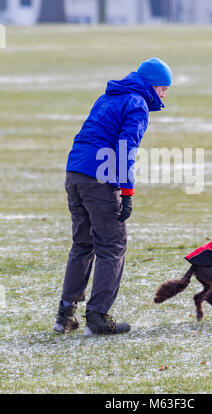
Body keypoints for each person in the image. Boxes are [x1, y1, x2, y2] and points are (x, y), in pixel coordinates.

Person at [53, 57, 172, 336]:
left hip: (75, 173)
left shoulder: (108, 96)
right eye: (163, 88)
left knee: (83, 244)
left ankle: (65, 315)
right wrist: (127, 191)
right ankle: (98, 317)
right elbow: (125, 147)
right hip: (100, 179)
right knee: (112, 244)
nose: (165, 94)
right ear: (151, 85)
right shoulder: (137, 103)